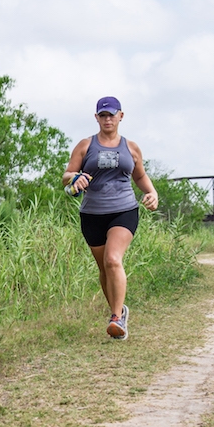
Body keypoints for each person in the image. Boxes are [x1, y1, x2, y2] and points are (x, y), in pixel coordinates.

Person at [62, 96, 158, 340]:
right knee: (104, 267)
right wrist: (76, 178)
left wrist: (151, 192)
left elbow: (140, 176)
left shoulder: (131, 147)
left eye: (111, 115)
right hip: (92, 213)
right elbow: (66, 175)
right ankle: (119, 310)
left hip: (124, 210)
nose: (107, 119)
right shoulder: (85, 145)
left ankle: (116, 318)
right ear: (96, 118)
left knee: (113, 260)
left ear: (121, 116)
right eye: (103, 115)